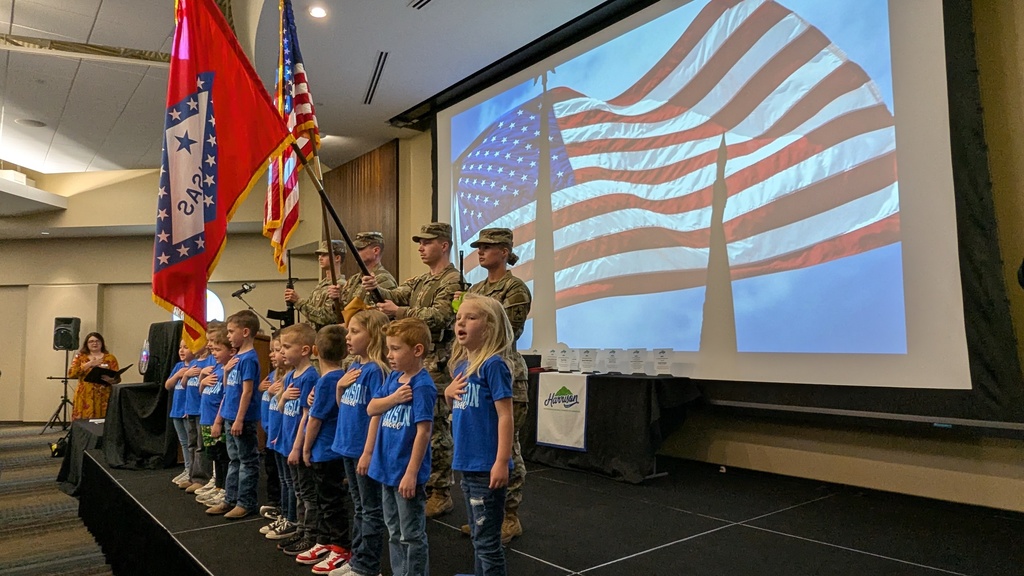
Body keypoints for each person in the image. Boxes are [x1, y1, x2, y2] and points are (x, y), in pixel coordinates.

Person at [362, 222, 460, 518]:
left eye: (427, 242)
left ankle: (440, 491)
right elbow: (394, 293)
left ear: (443, 245)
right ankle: (420, 482)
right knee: (406, 423)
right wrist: (375, 289)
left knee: (436, 428)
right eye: (419, 242)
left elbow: (442, 316)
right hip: (413, 366)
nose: (420, 247)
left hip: (437, 365)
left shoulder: (452, 281)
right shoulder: (419, 281)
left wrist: (400, 312)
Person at [461, 227, 532, 543]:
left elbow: (506, 334)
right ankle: (486, 517)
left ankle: (509, 516)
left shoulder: (515, 289)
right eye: (479, 246)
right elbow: (459, 322)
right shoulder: (474, 288)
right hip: (475, 374)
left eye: (488, 247)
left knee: (509, 447)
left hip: (506, 376)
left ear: (504, 251)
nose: (481, 251)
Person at [446, 294, 515, 576]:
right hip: (467, 463)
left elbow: (505, 415)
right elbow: (461, 407)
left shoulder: (493, 366)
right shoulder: (463, 367)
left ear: (489, 327)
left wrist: (501, 461)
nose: (461, 322)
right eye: (459, 317)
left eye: (471, 317)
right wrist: (448, 394)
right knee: (477, 534)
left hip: (486, 466)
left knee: (487, 541)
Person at [367, 318, 436, 576]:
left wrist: (411, 473)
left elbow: (423, 432)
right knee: (394, 531)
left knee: (411, 534)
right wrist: (394, 398)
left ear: (417, 350)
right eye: (388, 348)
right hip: (386, 467)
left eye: (395, 348)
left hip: (405, 471)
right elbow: (372, 408)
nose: (389, 355)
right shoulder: (395, 378)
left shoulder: (423, 385)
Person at [329, 309, 390, 576]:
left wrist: (368, 452)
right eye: (348, 332)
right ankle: (357, 558)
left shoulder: (376, 370)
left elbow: (375, 412)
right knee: (359, 507)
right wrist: (339, 388)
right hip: (348, 445)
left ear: (373, 334)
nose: (348, 337)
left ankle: (368, 565)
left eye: (355, 331)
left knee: (370, 508)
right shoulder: (354, 367)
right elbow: (346, 407)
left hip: (363, 448)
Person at [301, 325, 353, 574]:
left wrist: (305, 447)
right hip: (332, 450)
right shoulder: (338, 377)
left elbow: (315, 420)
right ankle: (325, 540)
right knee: (324, 500)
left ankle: (341, 546)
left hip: (325, 450)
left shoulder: (327, 382)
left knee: (331, 502)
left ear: (313, 351)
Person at [208, 310, 262, 519]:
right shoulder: (236, 358)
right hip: (230, 414)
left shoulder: (249, 358)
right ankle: (230, 499)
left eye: (231, 331)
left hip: (243, 418)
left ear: (245, 332)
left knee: (247, 460)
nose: (228, 336)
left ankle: (246, 502)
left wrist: (240, 418)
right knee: (234, 460)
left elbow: (247, 391)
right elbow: (228, 388)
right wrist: (227, 371)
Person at [277, 324, 322, 557]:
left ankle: (310, 533)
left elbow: (307, 414)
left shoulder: (310, 376)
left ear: (305, 349)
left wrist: (297, 447)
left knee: (306, 492)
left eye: (287, 346)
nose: (282, 351)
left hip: (299, 444)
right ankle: (301, 528)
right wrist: (283, 398)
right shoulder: (289, 375)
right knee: (297, 490)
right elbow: (283, 409)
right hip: (286, 441)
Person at [329, 231, 398, 322]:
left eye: (360, 249)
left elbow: (381, 316)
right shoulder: (353, 280)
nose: (355, 253)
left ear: (376, 250)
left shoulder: (384, 279)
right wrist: (337, 300)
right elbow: (345, 311)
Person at [197, 324, 231, 508]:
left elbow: (226, 397)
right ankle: (218, 484)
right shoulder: (214, 367)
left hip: (217, 420)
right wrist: (202, 381)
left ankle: (224, 487)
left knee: (223, 455)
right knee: (215, 456)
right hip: (206, 418)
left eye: (217, 347)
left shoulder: (225, 370)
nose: (212, 349)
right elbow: (202, 392)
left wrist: (218, 421)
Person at [287, 239, 347, 330]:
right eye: (320, 255)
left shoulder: (340, 286)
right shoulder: (321, 285)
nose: (320, 258)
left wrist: (298, 302)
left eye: (324, 255)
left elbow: (325, 317)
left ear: (337, 258)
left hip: (328, 337)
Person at [257, 335, 283, 521]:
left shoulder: (283, 379)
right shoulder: (272, 375)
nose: (272, 355)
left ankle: (280, 505)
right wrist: (263, 388)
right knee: (271, 469)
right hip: (269, 430)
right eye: (271, 350)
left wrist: (274, 392)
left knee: (279, 473)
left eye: (277, 350)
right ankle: (275, 501)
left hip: (279, 434)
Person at [165, 341, 196, 488]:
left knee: (191, 442)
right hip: (176, 410)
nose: (182, 350)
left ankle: (192, 471)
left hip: (187, 411)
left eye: (186, 347)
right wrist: (178, 374)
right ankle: (187, 468)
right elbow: (168, 385)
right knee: (183, 442)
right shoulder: (179, 366)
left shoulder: (196, 366)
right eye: (180, 347)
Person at [67, 332, 119, 420]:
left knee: (103, 420)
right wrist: (89, 364)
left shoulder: (110, 358)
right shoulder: (80, 357)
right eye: (91, 341)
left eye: (97, 341)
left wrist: (111, 380)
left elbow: (117, 378)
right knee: (84, 421)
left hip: (104, 394)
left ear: (102, 343)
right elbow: (71, 373)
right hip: (84, 394)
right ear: (86, 344)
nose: (94, 343)